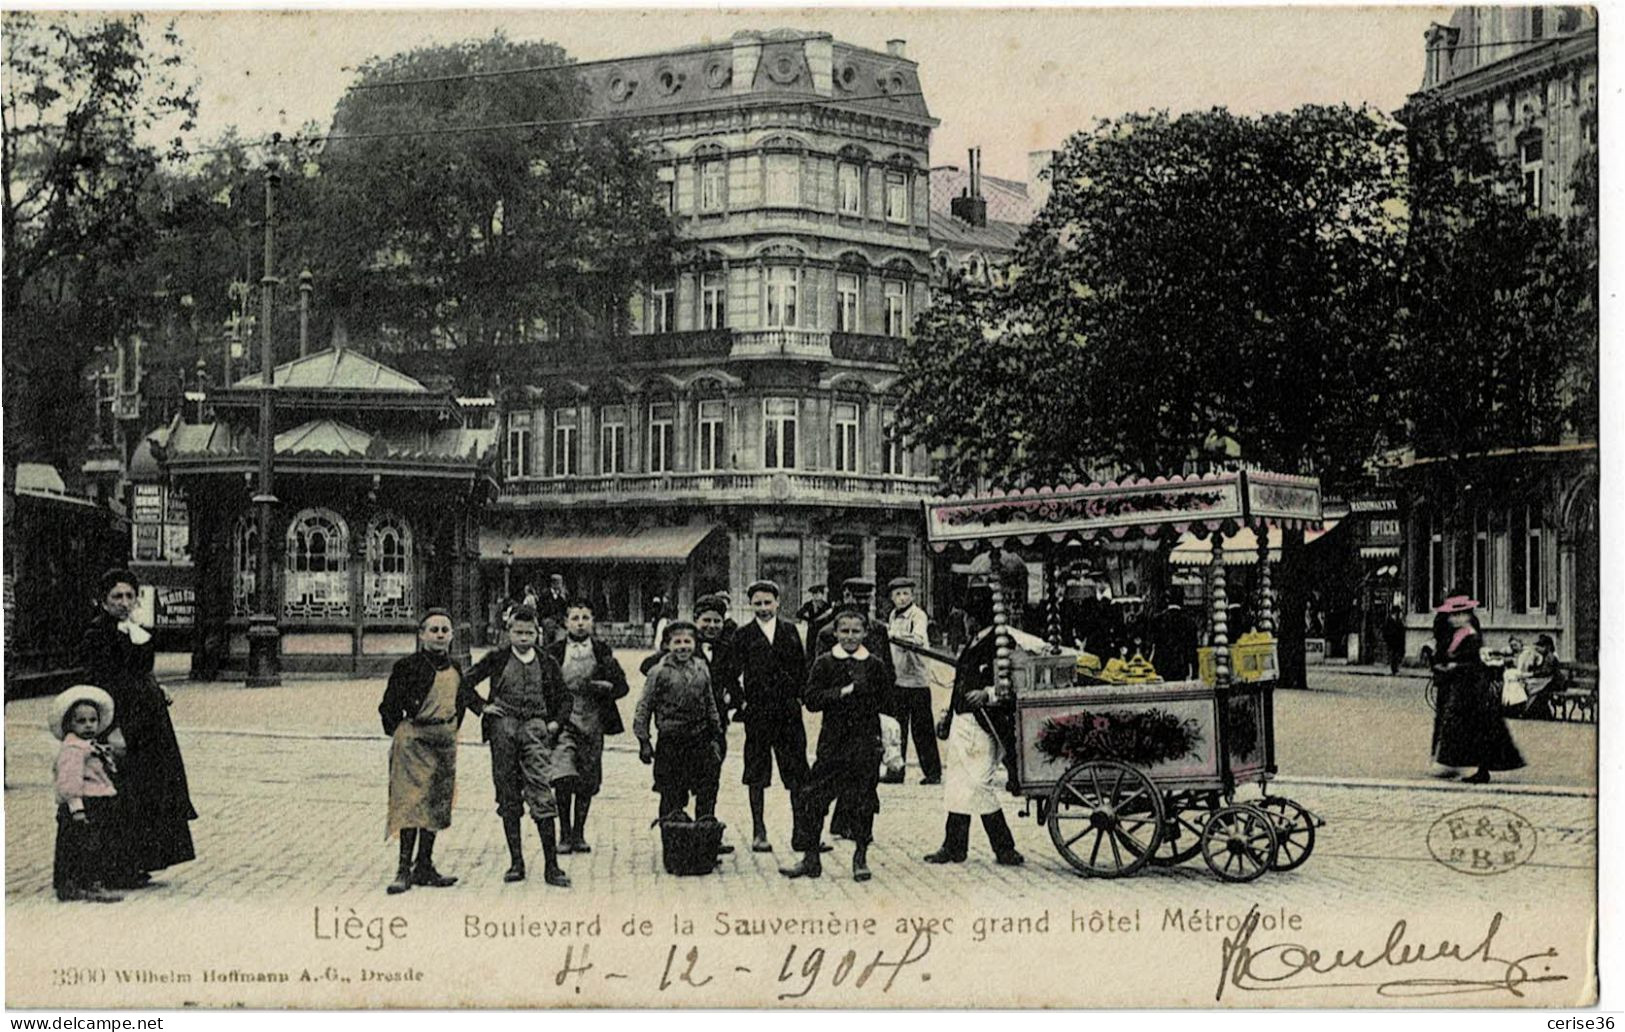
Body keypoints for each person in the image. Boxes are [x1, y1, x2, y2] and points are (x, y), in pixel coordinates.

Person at [78, 568, 196, 889]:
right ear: (103, 601)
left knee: (149, 788)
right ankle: (118, 868)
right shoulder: (97, 635)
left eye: (130, 596)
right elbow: (100, 682)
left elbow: (141, 672)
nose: (124, 602)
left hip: (150, 724)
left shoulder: (138, 631)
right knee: (123, 792)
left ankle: (141, 861)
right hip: (121, 721)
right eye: (117, 596)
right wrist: (111, 728)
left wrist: (158, 689)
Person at [460, 606, 572, 886]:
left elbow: (565, 698)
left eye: (529, 632)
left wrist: (555, 723)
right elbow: (464, 683)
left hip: (536, 729)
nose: (523, 638)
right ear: (508, 632)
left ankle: (552, 867)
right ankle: (516, 863)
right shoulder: (497, 659)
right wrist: (483, 708)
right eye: (518, 632)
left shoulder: (547, 662)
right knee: (508, 793)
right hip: (503, 729)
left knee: (542, 792)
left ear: (538, 633)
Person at [378, 608, 482, 894]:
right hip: (414, 741)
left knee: (437, 800)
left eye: (444, 630)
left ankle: (425, 865)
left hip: (444, 740)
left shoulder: (456, 668)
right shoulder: (407, 667)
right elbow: (388, 707)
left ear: (451, 636)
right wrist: (402, 732)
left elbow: (467, 697)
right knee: (411, 802)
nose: (439, 635)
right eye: (433, 630)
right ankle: (403, 869)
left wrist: (486, 709)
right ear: (421, 635)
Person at [781, 610, 888, 882]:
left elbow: (888, 700)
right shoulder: (824, 663)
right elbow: (812, 699)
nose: (850, 637)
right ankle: (810, 859)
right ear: (836, 633)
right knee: (813, 799)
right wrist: (843, 692)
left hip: (865, 742)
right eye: (845, 631)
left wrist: (869, 699)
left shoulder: (875, 664)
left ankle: (860, 857)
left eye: (856, 631)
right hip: (833, 743)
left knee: (864, 801)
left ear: (865, 633)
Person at [925, 587, 1024, 866]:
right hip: (962, 719)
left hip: (985, 721)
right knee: (958, 783)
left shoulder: (1001, 642)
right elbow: (960, 682)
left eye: (968, 614)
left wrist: (989, 694)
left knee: (979, 784)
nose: (965, 620)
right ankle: (955, 846)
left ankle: (1004, 848)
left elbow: (1013, 680)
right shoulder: (974, 641)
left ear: (976, 617)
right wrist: (948, 713)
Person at [545, 599, 629, 856]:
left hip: (593, 720)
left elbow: (622, 686)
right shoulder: (554, 651)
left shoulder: (603, 650)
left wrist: (608, 688)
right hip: (564, 720)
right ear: (566, 622)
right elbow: (544, 685)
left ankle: (579, 833)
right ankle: (564, 833)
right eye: (575, 618)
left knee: (587, 778)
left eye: (585, 618)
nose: (580, 623)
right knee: (562, 776)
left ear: (593, 622)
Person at [731, 579, 809, 852]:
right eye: (757, 603)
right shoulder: (743, 635)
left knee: (797, 773)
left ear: (778, 602)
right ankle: (759, 831)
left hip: (788, 714)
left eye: (768, 602)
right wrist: (741, 703)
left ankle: (802, 832)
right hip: (758, 714)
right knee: (756, 774)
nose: (763, 608)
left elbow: (802, 668)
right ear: (750, 604)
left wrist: (799, 697)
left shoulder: (790, 631)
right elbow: (731, 674)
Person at [635, 622, 726, 827]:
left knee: (706, 788)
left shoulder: (702, 669)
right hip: (670, 742)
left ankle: (705, 838)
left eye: (687, 641)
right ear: (667, 644)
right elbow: (644, 707)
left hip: (699, 739)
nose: (682, 647)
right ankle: (673, 842)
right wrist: (644, 741)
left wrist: (716, 735)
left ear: (695, 644)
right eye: (677, 642)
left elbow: (710, 703)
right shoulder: (658, 672)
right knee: (671, 792)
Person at [1429, 594, 1525, 784]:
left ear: (1465, 615)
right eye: (1452, 615)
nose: (1453, 619)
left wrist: (1453, 667)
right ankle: (1462, 766)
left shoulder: (1471, 635)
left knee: (1476, 729)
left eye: (1457, 615)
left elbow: (1472, 663)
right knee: (1466, 729)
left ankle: (1479, 770)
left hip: (1473, 690)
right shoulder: (1458, 634)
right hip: (1463, 688)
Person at [50, 686, 122, 903]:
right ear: (69, 724)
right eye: (81, 721)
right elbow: (69, 780)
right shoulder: (74, 749)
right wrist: (76, 807)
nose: (89, 725)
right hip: (83, 805)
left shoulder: (91, 746)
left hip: (97, 801)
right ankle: (83, 883)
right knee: (83, 846)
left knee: (95, 844)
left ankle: (82, 883)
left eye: (92, 720)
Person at [886, 577, 941, 786]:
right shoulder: (893, 615)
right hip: (899, 680)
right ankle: (896, 771)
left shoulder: (918, 616)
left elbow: (917, 638)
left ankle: (933, 772)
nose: (901, 598)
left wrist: (893, 635)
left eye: (905, 593)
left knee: (922, 729)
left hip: (917, 681)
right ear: (892, 597)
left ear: (912, 595)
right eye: (897, 594)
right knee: (896, 728)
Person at [1150, 600, 1199, 681]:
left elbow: (1151, 645)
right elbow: (1192, 650)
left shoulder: (1157, 620)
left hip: (1162, 665)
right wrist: (1195, 673)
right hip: (1181, 665)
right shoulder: (1189, 621)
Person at [537, 574, 568, 643]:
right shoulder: (544, 595)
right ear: (553, 584)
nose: (561, 585)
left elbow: (564, 610)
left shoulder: (562, 597)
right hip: (547, 621)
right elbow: (540, 609)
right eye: (559, 583)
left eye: (561, 583)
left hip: (559, 622)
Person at [1382, 607, 1407, 675]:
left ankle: (1395, 669)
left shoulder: (1398, 621)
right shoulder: (1389, 621)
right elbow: (1385, 631)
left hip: (1398, 642)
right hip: (1392, 642)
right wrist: (1388, 639)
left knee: (1397, 656)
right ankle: (1394, 670)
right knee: (1393, 656)